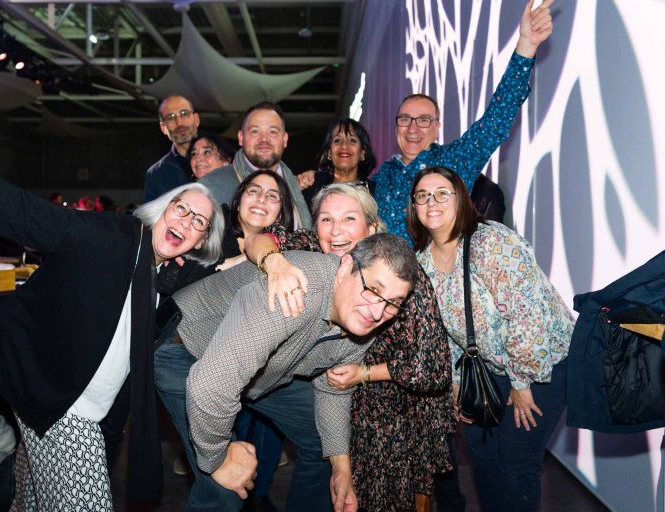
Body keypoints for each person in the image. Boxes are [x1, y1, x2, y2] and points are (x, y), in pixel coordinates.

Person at [0, 139, 225, 510]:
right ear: (161, 209)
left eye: (199, 222)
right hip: (63, 410)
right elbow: (15, 209)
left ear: (200, 240)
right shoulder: (110, 237)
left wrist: (271, 259)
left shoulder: (164, 277)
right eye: (181, 208)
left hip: (84, 412)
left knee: (32, 503)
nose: (186, 221)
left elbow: (232, 257)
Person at [155, 233, 417, 512]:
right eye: (373, 289)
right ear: (344, 267)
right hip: (183, 348)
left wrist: (341, 466)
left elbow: (333, 385)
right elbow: (211, 386)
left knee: (324, 443)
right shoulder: (294, 290)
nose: (378, 312)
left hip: (262, 368)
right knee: (227, 489)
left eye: (392, 302)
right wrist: (217, 460)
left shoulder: (364, 316)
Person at [245, 183, 454, 511]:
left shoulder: (399, 270)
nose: (336, 230)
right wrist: (274, 262)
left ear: (371, 229)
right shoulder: (318, 247)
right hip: (334, 394)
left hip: (392, 409)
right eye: (326, 219)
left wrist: (364, 374)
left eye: (349, 219)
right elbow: (261, 238)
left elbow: (433, 369)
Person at [406, 166, 573, 511]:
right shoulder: (421, 262)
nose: (431, 202)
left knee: (514, 463)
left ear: (461, 200)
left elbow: (529, 312)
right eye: (423, 196)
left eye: (442, 193)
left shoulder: (491, 240)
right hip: (482, 372)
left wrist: (521, 380)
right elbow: (443, 330)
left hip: (540, 365)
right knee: (482, 459)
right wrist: (454, 382)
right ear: (414, 208)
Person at [157, 170, 294, 506]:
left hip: (244, 362)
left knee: (316, 430)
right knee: (222, 479)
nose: (261, 199)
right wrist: (218, 265)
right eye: (253, 190)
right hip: (182, 351)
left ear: (282, 211)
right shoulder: (207, 234)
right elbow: (165, 286)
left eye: (272, 195)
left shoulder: (287, 251)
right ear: (238, 199)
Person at [373, 0, 554, 239]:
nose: (413, 128)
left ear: (437, 128)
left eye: (424, 120)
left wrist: (526, 46)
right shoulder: (382, 175)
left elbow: (496, 120)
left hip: (436, 273)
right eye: (405, 119)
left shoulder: (455, 161)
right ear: (396, 126)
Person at [198, 101, 312, 229]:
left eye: (273, 132)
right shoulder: (211, 187)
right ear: (241, 138)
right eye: (255, 131)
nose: (264, 139)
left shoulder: (298, 188)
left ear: (284, 140)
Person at [298, 118, 377, 209]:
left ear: (362, 153)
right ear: (329, 152)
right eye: (337, 140)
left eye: (352, 140)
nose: (344, 146)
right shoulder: (312, 185)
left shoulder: (375, 192)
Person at [144, 94, 201, 201]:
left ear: (196, 119)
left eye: (184, 114)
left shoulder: (222, 159)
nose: (179, 123)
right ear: (163, 128)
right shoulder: (157, 174)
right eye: (170, 118)